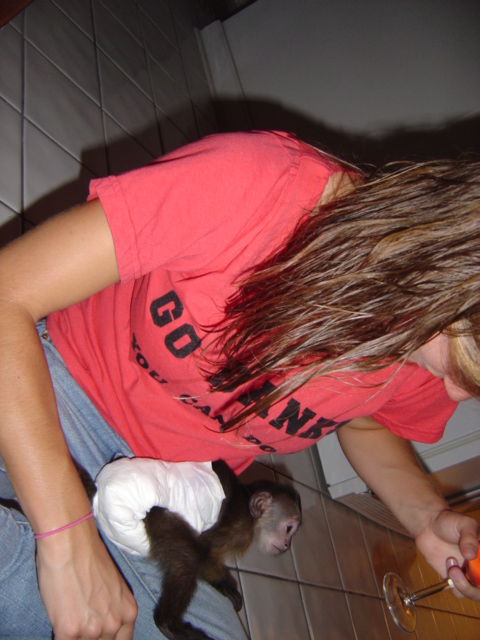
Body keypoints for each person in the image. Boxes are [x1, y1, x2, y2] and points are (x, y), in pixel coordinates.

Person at [0, 130, 479, 639]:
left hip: (171, 496)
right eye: (464, 363)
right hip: (60, 399)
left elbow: (366, 424)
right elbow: (8, 295)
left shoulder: (431, 354)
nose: (455, 396)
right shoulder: (265, 184)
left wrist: (426, 517)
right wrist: (66, 538)